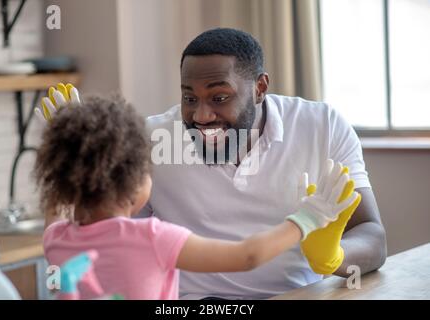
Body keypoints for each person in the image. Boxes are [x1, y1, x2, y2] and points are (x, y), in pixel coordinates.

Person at [36, 27, 386, 300]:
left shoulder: (322, 125)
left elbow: (373, 235)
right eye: (189, 97)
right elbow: (108, 229)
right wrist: (85, 147)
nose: (202, 115)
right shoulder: (148, 138)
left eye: (220, 97)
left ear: (260, 87)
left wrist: (334, 257)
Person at [36, 95, 358, 300]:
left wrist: (70, 140)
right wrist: (307, 218)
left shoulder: (56, 240)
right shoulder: (152, 238)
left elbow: (58, 201)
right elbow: (247, 256)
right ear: (136, 187)